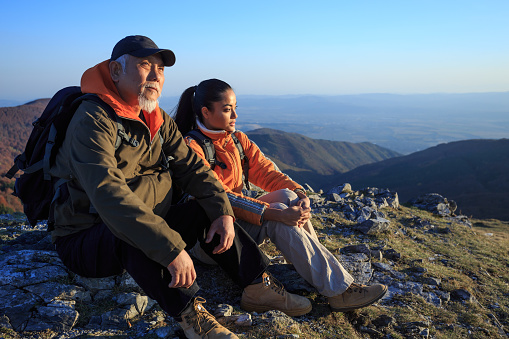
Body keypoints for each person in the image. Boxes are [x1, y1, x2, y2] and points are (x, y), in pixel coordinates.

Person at [49, 36, 311, 339]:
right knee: (131, 231)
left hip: (147, 220)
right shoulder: (93, 120)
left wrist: (222, 213)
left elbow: (194, 170)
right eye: (145, 65)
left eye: (160, 68)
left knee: (203, 205)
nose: (155, 75)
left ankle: (256, 285)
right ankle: (192, 318)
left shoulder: (156, 119)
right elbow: (110, 197)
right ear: (116, 71)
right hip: (85, 237)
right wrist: (170, 247)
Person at [173, 78, 388, 313]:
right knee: (280, 223)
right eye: (227, 110)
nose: (235, 115)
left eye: (235, 108)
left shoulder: (236, 140)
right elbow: (220, 198)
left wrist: (300, 193)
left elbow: (267, 172)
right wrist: (273, 214)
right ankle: (339, 292)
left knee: (287, 196)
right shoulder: (191, 147)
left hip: (238, 224)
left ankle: (315, 272)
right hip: (211, 239)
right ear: (205, 112)